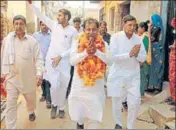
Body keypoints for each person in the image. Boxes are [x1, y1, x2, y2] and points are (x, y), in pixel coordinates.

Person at [28, 0, 78, 119]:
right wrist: (31, 4)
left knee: (63, 86)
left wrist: (61, 56)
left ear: (66, 17)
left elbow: (73, 48)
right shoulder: (54, 26)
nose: (57, 17)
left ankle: (61, 108)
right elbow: (41, 15)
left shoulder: (73, 31)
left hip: (64, 62)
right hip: (52, 62)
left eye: (60, 15)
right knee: (54, 85)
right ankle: (55, 105)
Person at [1, 15, 44, 129]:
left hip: (28, 78)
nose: (18, 26)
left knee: (30, 100)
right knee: (11, 104)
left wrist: (39, 73)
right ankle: (11, 127)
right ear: (13, 25)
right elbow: (3, 56)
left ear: (25, 26)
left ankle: (31, 111)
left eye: (21, 24)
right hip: (12, 78)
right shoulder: (7, 40)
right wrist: (2, 73)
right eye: (16, 24)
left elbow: (39, 58)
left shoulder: (32, 42)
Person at [68, 18, 111, 129]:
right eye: (88, 29)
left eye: (94, 29)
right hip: (80, 86)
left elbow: (110, 61)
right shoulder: (77, 42)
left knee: (94, 119)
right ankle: (80, 122)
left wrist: (96, 52)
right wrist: (86, 53)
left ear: (98, 30)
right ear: (84, 30)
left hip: (96, 88)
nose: (91, 32)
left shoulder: (104, 44)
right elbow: (72, 61)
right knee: (79, 113)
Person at [107, 15, 147, 129]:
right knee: (116, 101)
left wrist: (137, 55)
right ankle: (118, 123)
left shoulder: (138, 39)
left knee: (134, 103)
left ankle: (130, 126)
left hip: (133, 76)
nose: (132, 28)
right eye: (130, 25)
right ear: (123, 24)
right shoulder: (115, 37)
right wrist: (129, 54)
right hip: (118, 75)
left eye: (134, 25)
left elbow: (143, 57)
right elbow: (113, 57)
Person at [33, 21, 51, 108]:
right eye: (43, 25)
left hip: (49, 62)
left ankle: (48, 99)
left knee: (48, 80)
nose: (44, 26)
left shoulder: (52, 36)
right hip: (39, 61)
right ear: (40, 25)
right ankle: (44, 94)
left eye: (46, 25)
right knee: (41, 79)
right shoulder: (35, 35)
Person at [148, 14, 164, 94]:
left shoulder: (158, 28)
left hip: (157, 50)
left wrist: (148, 28)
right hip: (153, 50)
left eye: (151, 19)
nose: (150, 21)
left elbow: (151, 38)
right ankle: (152, 86)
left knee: (157, 67)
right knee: (152, 68)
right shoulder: (154, 28)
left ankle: (157, 87)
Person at [137, 21, 152, 98]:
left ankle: (141, 93)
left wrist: (141, 60)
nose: (138, 29)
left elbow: (145, 50)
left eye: (139, 28)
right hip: (141, 60)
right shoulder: (142, 36)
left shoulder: (145, 37)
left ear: (143, 28)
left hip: (144, 61)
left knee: (142, 77)